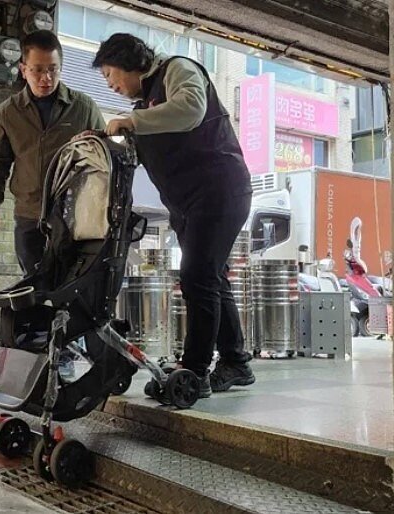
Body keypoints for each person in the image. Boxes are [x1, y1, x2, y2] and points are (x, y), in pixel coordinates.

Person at [92, 33, 255, 397]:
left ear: (128, 61)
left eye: (109, 74)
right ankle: (236, 362)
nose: (110, 84)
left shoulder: (176, 70)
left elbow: (191, 109)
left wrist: (132, 122)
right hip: (187, 202)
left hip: (219, 190)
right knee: (211, 277)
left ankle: (194, 371)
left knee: (197, 277)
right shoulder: (143, 107)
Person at [0, 30, 105, 377]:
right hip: (29, 217)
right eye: (37, 70)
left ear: (61, 68)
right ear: (23, 69)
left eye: (52, 69)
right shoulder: (9, 112)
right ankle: (45, 358)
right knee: (35, 288)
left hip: (75, 219)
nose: (45, 78)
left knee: (73, 289)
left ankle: (80, 357)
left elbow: (103, 158)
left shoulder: (83, 107)